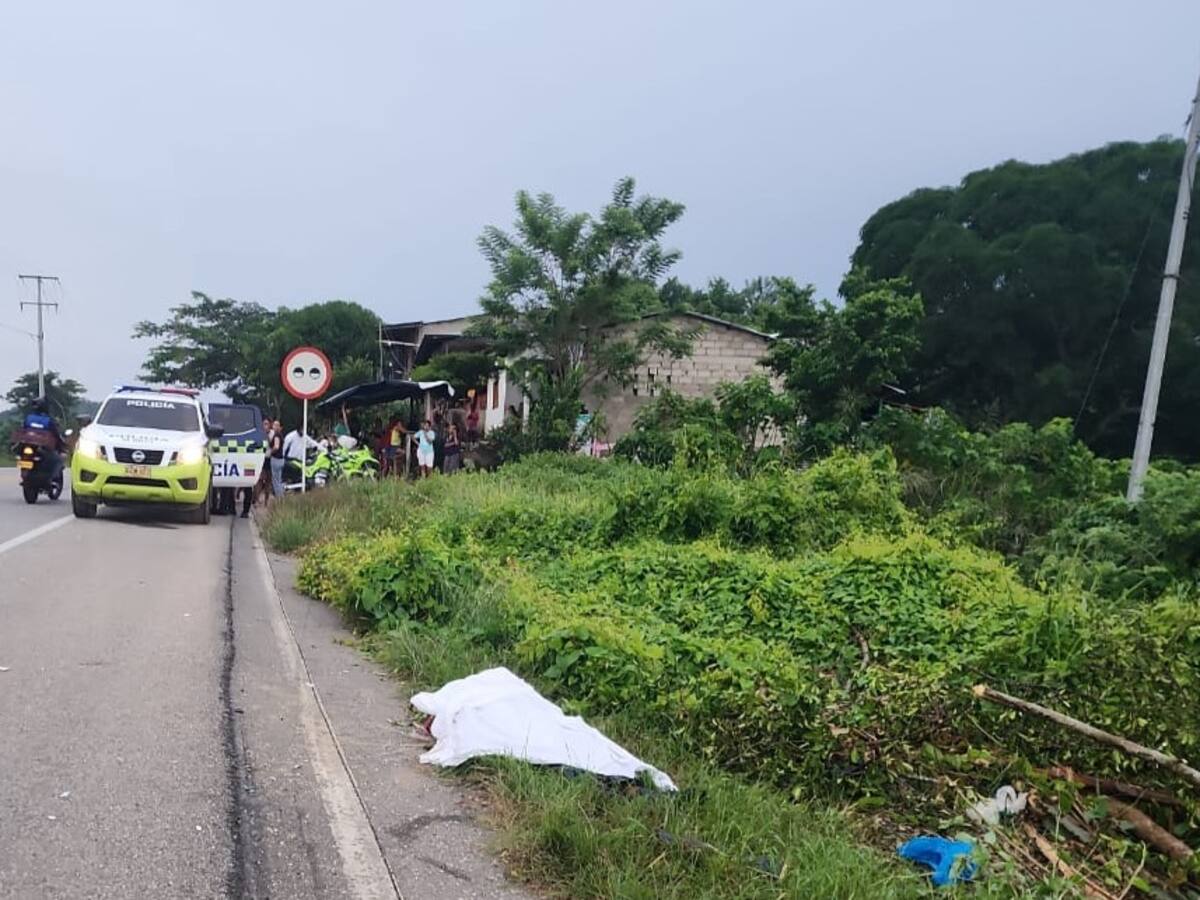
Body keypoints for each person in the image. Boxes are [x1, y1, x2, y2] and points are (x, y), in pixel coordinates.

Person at [22, 398, 66, 481]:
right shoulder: (48, 421)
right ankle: (51, 478)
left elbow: (23, 430)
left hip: (28, 445)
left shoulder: (28, 418)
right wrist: (61, 446)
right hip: (43, 447)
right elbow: (56, 435)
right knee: (58, 460)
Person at [268, 419, 285, 497]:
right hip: (281, 459)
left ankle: (279, 497)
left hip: (276, 459)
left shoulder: (276, 435)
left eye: (275, 425)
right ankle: (281, 496)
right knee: (279, 479)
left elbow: (276, 446)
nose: (273, 426)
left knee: (275, 481)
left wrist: (270, 452)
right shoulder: (281, 435)